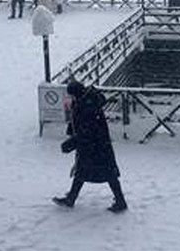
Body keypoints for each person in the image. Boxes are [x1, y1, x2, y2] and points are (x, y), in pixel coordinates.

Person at [53, 80, 128, 213]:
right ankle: (71, 198)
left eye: (71, 95)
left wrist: (71, 143)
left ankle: (120, 201)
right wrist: (71, 130)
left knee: (106, 173)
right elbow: (79, 122)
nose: (70, 98)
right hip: (95, 146)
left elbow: (87, 131)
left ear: (76, 94)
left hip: (96, 146)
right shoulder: (84, 100)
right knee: (85, 172)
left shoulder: (88, 106)